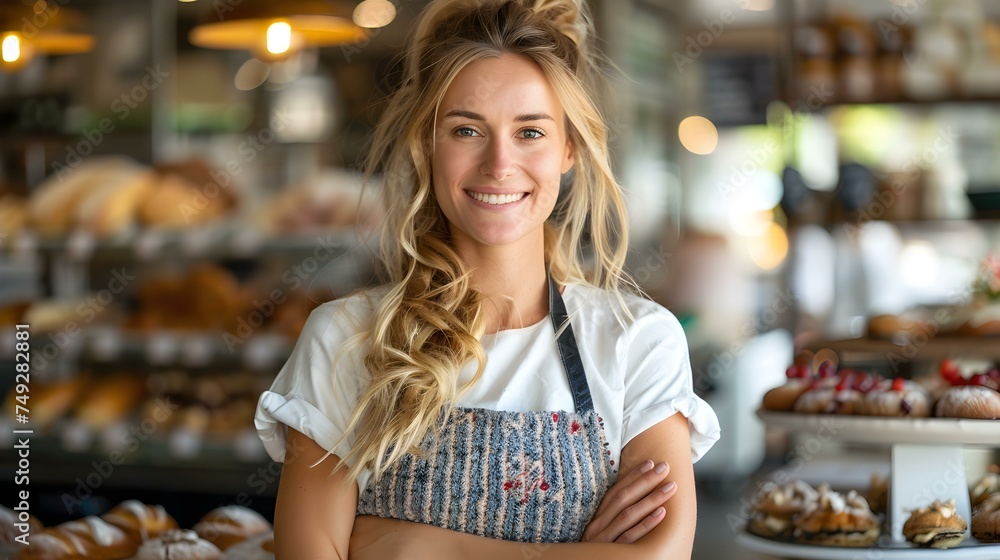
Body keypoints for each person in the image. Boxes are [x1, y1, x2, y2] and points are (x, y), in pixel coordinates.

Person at [254, 0, 720, 558]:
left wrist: (412, 546)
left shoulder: (636, 340)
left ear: (568, 148)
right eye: (467, 130)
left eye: (529, 132)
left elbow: (657, 556)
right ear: (426, 145)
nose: (500, 164)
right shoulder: (344, 339)